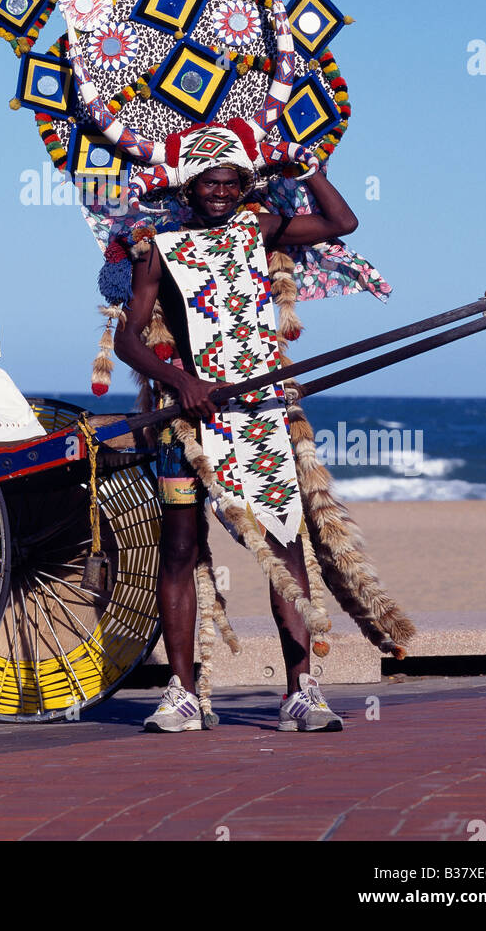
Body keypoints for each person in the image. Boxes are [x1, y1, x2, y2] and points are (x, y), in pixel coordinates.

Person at [114, 132, 359, 733]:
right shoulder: (157, 248)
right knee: (179, 550)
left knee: (282, 543)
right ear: (189, 187)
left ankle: (302, 692)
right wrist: (180, 379)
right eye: (209, 183)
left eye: (231, 183)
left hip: (261, 414)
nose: (220, 193)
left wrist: (310, 168)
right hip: (188, 425)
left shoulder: (262, 230)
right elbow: (127, 336)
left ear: (243, 187)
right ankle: (183, 693)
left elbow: (341, 222)